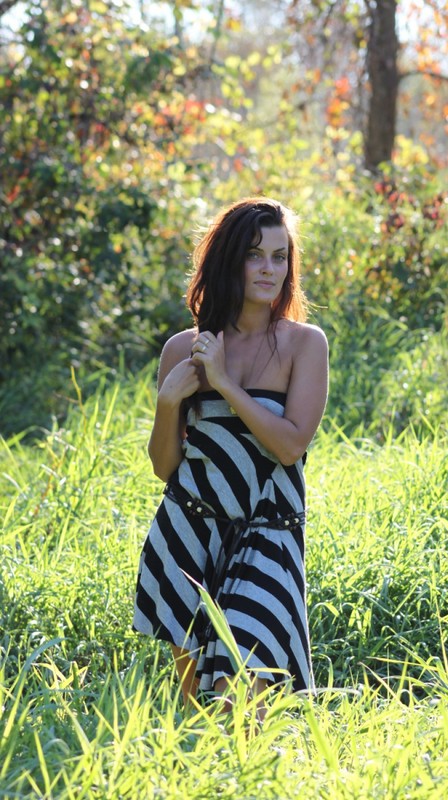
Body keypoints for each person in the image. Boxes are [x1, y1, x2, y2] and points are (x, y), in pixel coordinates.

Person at [133, 197, 328, 714]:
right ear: (229, 259)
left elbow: (290, 445)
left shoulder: (305, 345)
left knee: (241, 706)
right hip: (189, 533)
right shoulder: (184, 348)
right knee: (198, 713)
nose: (268, 269)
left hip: (270, 535)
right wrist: (167, 404)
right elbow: (164, 466)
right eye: (254, 255)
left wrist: (222, 383)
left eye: (280, 257)